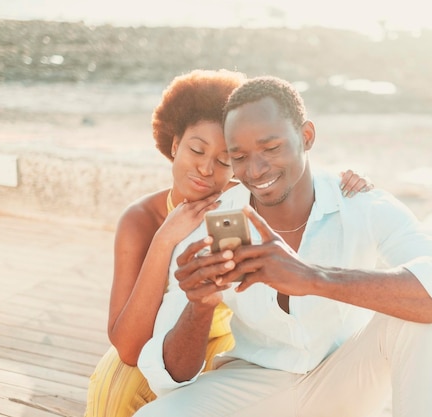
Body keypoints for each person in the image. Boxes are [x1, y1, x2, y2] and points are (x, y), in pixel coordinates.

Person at [134, 76, 432, 417]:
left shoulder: (359, 204)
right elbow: (171, 377)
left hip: (344, 379)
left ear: (306, 136)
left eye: (271, 148)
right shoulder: (218, 224)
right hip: (252, 386)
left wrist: (315, 278)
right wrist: (200, 306)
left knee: (418, 316)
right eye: (238, 157)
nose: (255, 170)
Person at [84, 70, 372, 417]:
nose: (206, 169)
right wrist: (164, 241)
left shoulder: (242, 208)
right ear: (175, 146)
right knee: (119, 394)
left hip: (223, 350)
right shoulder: (142, 219)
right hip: (149, 352)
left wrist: (342, 180)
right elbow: (129, 349)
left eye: (224, 161)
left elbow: (292, 173)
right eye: (196, 150)